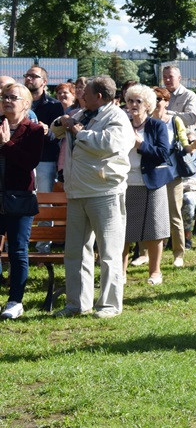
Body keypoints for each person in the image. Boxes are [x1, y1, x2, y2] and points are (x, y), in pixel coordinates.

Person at [53, 76, 131, 318]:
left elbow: (110, 145)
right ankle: (76, 304)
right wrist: (63, 120)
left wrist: (79, 131)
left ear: (99, 96)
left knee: (109, 252)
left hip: (104, 192)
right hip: (77, 191)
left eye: (85, 93)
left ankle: (109, 305)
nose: (80, 96)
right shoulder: (81, 113)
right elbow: (55, 131)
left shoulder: (117, 117)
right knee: (75, 251)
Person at [0, 83, 45, 320]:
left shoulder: (34, 130)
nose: (7, 101)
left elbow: (29, 163)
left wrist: (7, 143)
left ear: (25, 104)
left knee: (17, 251)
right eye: (4, 96)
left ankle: (15, 300)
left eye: (13, 97)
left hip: (20, 199)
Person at [121, 85, 174, 286]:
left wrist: (140, 144)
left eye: (138, 102)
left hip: (152, 183)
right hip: (126, 183)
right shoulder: (122, 124)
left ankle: (155, 272)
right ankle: (121, 273)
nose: (133, 105)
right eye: (130, 101)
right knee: (123, 231)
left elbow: (163, 153)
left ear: (148, 105)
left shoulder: (157, 126)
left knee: (155, 230)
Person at [151, 86, 196, 268]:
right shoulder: (146, 121)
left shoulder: (174, 121)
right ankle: (143, 253)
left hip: (172, 173)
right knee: (150, 214)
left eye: (160, 99)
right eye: (154, 99)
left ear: (167, 102)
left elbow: (184, 145)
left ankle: (178, 253)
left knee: (174, 214)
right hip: (151, 173)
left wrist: (193, 146)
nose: (156, 103)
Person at [24, 65, 63, 192]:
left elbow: (58, 137)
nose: (29, 79)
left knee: (44, 201)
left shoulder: (54, 106)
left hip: (44, 160)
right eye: (27, 76)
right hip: (19, 158)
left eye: (34, 76)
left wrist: (46, 131)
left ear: (44, 82)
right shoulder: (18, 102)